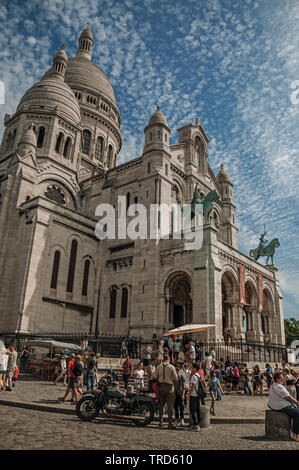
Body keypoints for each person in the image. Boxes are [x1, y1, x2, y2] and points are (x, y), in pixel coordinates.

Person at [268, 372, 299, 442]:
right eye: (282, 378)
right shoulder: (278, 386)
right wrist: (297, 403)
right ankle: (295, 433)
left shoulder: (274, 385)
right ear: (277, 379)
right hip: (278, 405)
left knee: (295, 411)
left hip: (274, 404)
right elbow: (287, 397)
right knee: (297, 413)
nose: (283, 379)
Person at [154, 353, 178, 429]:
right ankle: (170, 423)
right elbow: (176, 378)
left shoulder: (158, 366)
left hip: (160, 387)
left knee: (161, 405)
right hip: (169, 387)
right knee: (170, 406)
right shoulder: (171, 367)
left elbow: (155, 377)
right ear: (169, 359)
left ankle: (160, 421)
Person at [187, 363, 205, 431]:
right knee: (197, 410)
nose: (192, 368)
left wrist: (188, 394)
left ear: (195, 368)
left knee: (192, 410)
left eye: (193, 367)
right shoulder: (198, 375)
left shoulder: (194, 376)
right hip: (197, 395)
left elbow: (193, 386)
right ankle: (198, 424)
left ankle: (196, 425)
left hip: (194, 395)